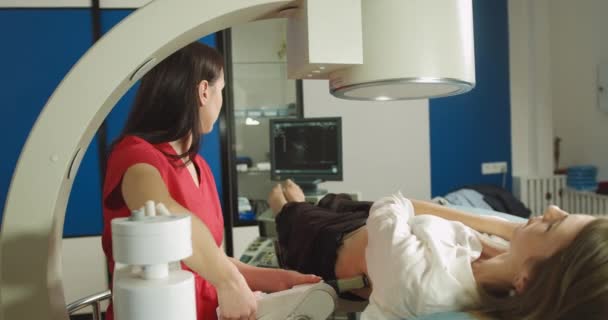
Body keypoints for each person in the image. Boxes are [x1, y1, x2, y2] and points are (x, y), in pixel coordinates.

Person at [101, 42, 320, 320]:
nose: (222, 101)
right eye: (222, 90)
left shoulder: (200, 166)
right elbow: (159, 209)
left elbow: (213, 259)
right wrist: (229, 282)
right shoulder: (135, 155)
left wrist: (280, 280)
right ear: (204, 91)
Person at [268, 179, 608, 320]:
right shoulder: (505, 256)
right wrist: (508, 228)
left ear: (529, 279)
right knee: (326, 198)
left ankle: (292, 209)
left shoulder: (427, 284)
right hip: (362, 222)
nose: (551, 209)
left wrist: (405, 211)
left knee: (283, 200)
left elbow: (392, 204)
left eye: (554, 224)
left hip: (325, 243)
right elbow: (401, 210)